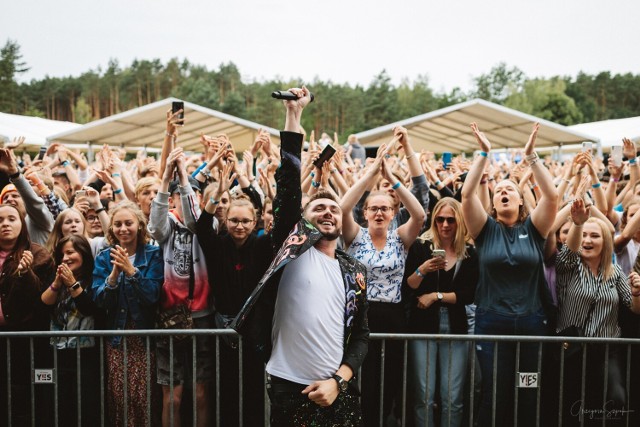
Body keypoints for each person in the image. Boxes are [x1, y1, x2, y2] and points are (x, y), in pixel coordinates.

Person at [231, 87, 369, 426]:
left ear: (342, 218)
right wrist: (294, 116)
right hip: (289, 385)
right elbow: (289, 183)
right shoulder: (292, 247)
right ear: (304, 219)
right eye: (318, 207)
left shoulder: (354, 269)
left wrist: (340, 380)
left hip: (337, 389)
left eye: (334, 208)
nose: (328, 212)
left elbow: (362, 334)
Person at [461, 122, 557, 427]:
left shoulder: (535, 228)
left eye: (510, 190)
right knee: (494, 388)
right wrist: (484, 154)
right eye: (499, 190)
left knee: (527, 386)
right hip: (492, 321)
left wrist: (531, 157)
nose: (504, 192)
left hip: (531, 322)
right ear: (493, 202)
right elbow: (466, 196)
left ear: (520, 200)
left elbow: (552, 197)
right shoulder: (484, 230)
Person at [340, 136, 425, 425]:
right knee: (362, 377)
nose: (378, 212)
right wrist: (369, 176)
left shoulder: (400, 237)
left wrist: (392, 179)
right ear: (365, 213)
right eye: (373, 208)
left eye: (385, 208)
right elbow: (342, 208)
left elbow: (420, 214)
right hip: (360, 314)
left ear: (392, 213)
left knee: (389, 380)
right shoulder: (356, 235)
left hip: (392, 315)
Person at [556, 199, 640, 426]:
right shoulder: (569, 268)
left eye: (594, 236)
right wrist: (578, 223)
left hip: (607, 350)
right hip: (573, 347)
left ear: (605, 242)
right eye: (584, 235)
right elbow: (568, 252)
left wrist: (636, 292)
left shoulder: (615, 274)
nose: (587, 240)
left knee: (616, 400)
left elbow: (634, 309)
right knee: (572, 407)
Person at [149, 147, 213, 427]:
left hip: (201, 318)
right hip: (169, 319)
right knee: (172, 397)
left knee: (200, 393)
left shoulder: (208, 225)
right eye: (178, 196)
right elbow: (155, 227)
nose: (186, 199)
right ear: (171, 200)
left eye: (192, 194)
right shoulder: (166, 228)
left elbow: (194, 219)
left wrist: (185, 176)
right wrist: (165, 181)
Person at [403, 197, 478, 427]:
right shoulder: (420, 246)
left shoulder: (469, 253)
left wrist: (436, 297)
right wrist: (423, 269)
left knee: (452, 396)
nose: (445, 225)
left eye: (451, 220)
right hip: (423, 326)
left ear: (460, 222)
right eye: (440, 219)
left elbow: (469, 295)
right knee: (423, 395)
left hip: (455, 327)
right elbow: (409, 285)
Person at [92, 201, 163, 427]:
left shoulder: (153, 254)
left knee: (144, 397)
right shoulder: (104, 257)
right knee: (120, 398)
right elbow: (101, 301)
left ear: (139, 226)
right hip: (117, 337)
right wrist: (113, 276)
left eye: (128, 223)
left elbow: (153, 295)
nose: (123, 229)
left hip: (143, 336)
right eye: (118, 224)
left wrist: (132, 272)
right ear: (111, 229)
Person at [0, 203, 55, 425]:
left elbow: (40, 301)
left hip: (25, 341)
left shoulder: (38, 254)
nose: (5, 224)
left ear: (22, 223)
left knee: (24, 397)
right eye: (0, 219)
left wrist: (24, 273)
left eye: (11, 219)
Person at [40, 235, 103, 426]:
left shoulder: (94, 277)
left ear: (83, 253)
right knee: (59, 405)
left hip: (86, 354)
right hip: (58, 352)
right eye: (62, 254)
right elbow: (44, 305)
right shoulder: (56, 279)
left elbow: (89, 309)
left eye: (70, 252)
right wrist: (58, 283)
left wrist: (73, 284)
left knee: (85, 406)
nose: (65, 258)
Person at [0, 147, 55, 245]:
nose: (10, 199)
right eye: (5, 197)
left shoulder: (39, 219)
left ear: (25, 200)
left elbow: (33, 202)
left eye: (15, 196)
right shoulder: (3, 226)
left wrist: (15, 174)